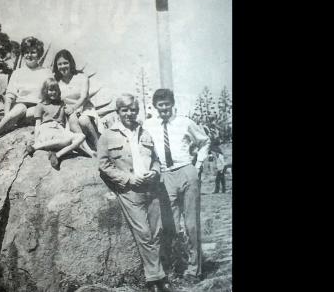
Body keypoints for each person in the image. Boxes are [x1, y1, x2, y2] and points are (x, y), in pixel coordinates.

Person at [97, 94, 172, 292]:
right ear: (118, 112)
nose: (129, 113)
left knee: (157, 232)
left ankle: (158, 276)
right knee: (144, 234)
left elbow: (155, 159)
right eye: (125, 110)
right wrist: (129, 179)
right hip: (130, 191)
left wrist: (155, 171)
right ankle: (156, 279)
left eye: (133, 109)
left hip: (151, 189)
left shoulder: (144, 132)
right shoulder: (108, 135)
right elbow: (104, 165)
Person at [143, 88, 210, 280]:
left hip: (186, 171)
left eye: (167, 104)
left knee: (191, 224)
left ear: (172, 104)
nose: (164, 108)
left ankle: (194, 270)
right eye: (160, 105)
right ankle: (175, 266)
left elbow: (204, 141)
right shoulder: (148, 125)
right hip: (165, 176)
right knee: (169, 224)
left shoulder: (185, 122)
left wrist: (197, 165)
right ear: (155, 106)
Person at [0, 36, 52, 148]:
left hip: (38, 106)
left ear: (39, 54)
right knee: (20, 108)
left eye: (33, 52)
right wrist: (7, 114)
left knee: (31, 111)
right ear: (23, 54)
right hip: (21, 105)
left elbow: (52, 92)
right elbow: (10, 95)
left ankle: (4, 127)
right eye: (26, 52)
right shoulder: (17, 73)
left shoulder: (46, 72)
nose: (29, 55)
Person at [24, 78, 86, 170]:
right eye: (50, 90)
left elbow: (66, 123)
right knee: (67, 141)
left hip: (60, 131)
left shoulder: (61, 104)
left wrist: (67, 133)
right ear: (45, 91)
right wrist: (36, 140)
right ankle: (35, 146)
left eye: (55, 90)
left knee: (81, 136)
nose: (53, 92)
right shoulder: (40, 105)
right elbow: (37, 125)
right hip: (46, 129)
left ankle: (56, 155)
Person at [51, 49, 101, 151]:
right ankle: (87, 149)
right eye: (59, 64)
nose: (63, 66)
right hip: (68, 111)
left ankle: (98, 145)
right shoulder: (56, 81)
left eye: (65, 63)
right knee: (73, 120)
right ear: (56, 66)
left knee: (83, 120)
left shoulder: (81, 77)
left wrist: (74, 108)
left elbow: (84, 96)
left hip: (84, 108)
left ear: (71, 63)